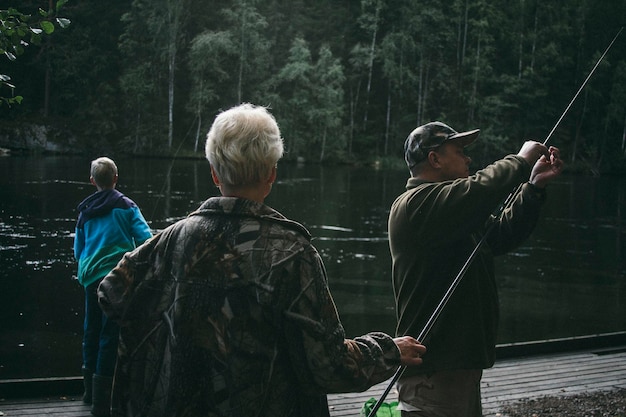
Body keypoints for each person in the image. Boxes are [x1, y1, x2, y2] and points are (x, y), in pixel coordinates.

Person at [97, 103, 426, 417]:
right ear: (271, 174)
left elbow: (111, 294)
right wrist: (388, 349)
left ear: (214, 173)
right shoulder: (293, 253)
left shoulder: (171, 239)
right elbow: (329, 366)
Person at [388, 121, 563, 417]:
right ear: (435, 159)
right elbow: (481, 188)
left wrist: (533, 187)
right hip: (433, 373)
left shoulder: (454, 212)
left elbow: (499, 235)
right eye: (459, 151)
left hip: (458, 367)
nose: (468, 158)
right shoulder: (416, 204)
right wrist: (519, 161)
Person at [74, 157, 152, 417]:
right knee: (109, 334)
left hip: (90, 277)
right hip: (117, 278)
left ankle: (88, 391)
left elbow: (78, 251)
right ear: (116, 179)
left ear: (92, 181)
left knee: (91, 330)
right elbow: (145, 241)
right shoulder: (127, 206)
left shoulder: (85, 211)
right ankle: (100, 403)